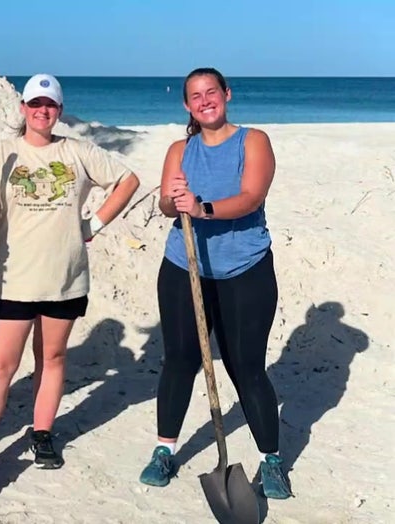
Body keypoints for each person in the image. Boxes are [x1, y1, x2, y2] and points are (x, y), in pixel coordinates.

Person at [0, 74, 140, 469]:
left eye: (49, 105)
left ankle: (41, 433)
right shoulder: (3, 151)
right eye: (35, 103)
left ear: (59, 111)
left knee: (51, 357)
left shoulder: (77, 152)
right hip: (13, 279)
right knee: (0, 364)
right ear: (23, 108)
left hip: (64, 277)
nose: (42, 111)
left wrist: (95, 225)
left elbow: (128, 180)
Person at [137, 67, 293, 500]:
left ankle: (272, 460)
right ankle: (165, 450)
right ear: (187, 105)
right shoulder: (179, 149)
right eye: (195, 96)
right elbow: (169, 206)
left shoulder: (253, 141)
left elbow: (250, 197)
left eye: (212, 92)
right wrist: (173, 198)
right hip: (184, 267)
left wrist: (202, 207)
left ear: (226, 94)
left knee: (246, 365)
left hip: (245, 268)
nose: (205, 101)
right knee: (180, 359)